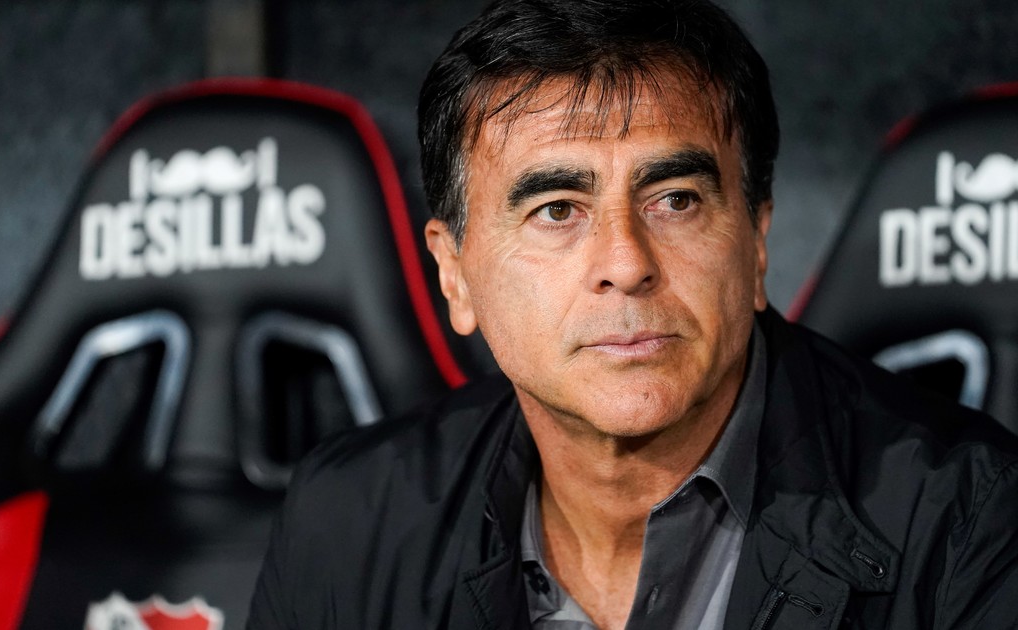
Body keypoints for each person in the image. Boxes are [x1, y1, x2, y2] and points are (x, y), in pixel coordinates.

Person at [249, 0, 1018, 627]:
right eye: (557, 210)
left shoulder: (970, 521)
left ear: (756, 243)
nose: (625, 262)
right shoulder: (345, 521)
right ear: (455, 275)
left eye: (675, 200)